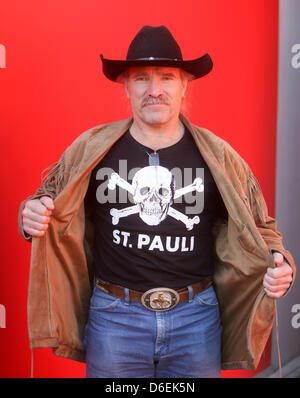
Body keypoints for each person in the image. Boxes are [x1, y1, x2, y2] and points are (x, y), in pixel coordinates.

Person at [19, 25, 295, 378]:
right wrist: (30, 215)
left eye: (167, 77)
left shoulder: (219, 158)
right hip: (114, 317)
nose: (155, 90)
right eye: (141, 79)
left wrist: (279, 259)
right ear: (126, 87)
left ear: (184, 86)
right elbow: (48, 202)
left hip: (195, 320)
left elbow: (259, 229)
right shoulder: (91, 149)